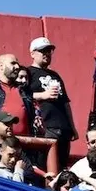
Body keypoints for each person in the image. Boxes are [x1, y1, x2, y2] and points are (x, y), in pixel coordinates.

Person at [25, 37, 76, 165]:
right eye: (43, 51)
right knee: (46, 166)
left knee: (61, 167)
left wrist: (72, 127)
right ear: (32, 53)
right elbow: (22, 96)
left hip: (63, 129)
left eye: (49, 50)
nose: (47, 54)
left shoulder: (56, 75)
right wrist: (43, 95)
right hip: (45, 129)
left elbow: (65, 103)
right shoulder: (27, 73)